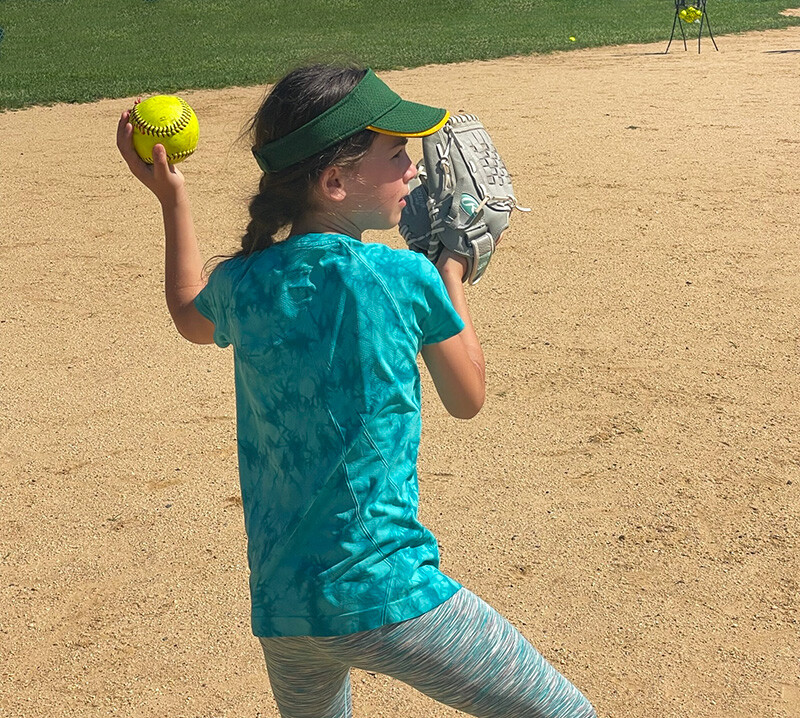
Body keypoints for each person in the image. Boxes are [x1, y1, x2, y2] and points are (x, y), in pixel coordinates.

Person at [117, 64, 596, 718]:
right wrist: (450, 264)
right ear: (334, 181)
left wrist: (173, 199)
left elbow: (186, 312)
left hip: (284, 609)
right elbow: (468, 395)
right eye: (395, 153)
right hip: (386, 593)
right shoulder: (404, 277)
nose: (413, 169)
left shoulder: (248, 284)